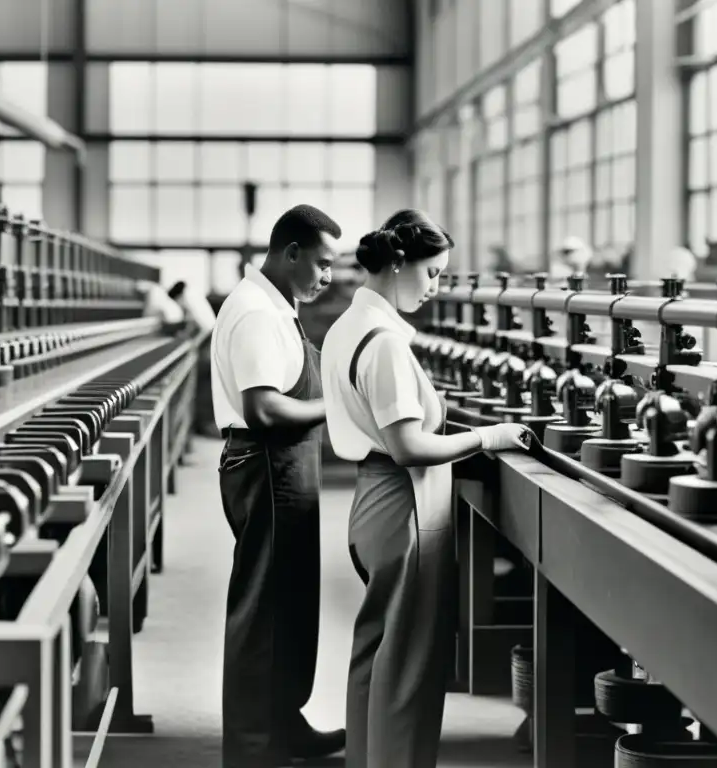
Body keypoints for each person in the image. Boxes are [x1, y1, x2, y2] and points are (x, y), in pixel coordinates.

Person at [320, 209, 533, 768]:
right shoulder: (385, 342)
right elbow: (409, 446)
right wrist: (492, 436)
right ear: (396, 263)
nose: (436, 287)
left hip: (374, 500)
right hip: (404, 503)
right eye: (433, 273)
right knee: (411, 664)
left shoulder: (347, 325)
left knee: (378, 652)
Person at [210, 204, 347, 767]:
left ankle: (283, 725)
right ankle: (253, 748)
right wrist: (339, 404)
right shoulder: (255, 314)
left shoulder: (277, 306)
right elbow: (264, 411)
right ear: (290, 253)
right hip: (267, 464)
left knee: (288, 603)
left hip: (287, 465)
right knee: (264, 610)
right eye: (322, 264)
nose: (328, 277)